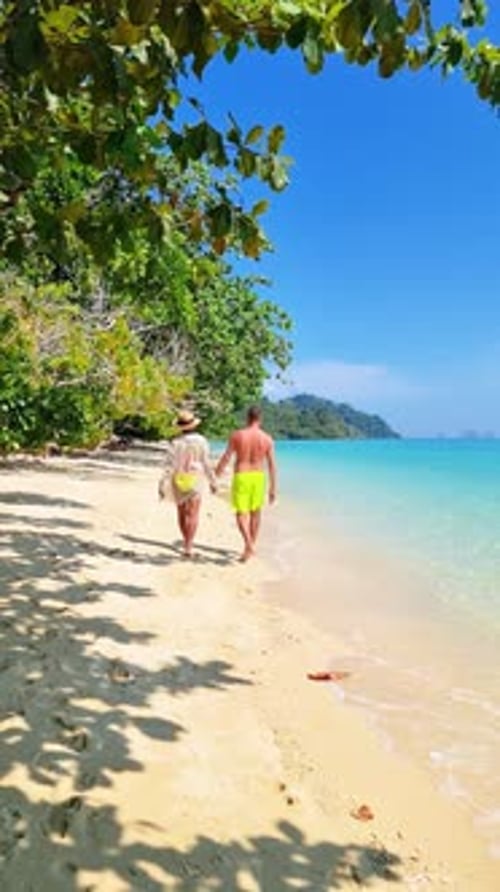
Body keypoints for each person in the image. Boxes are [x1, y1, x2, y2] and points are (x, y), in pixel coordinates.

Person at [215, 405, 276, 562]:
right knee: (255, 512)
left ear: (247, 418)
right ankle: (249, 547)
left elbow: (227, 456)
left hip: (242, 475)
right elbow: (271, 465)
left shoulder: (237, 435)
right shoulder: (267, 439)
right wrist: (273, 488)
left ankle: (248, 545)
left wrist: (216, 473)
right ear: (260, 419)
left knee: (241, 513)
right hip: (258, 477)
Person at [164, 410, 217, 558]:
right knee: (193, 514)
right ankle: (188, 545)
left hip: (179, 478)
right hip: (196, 478)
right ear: (194, 425)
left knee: (181, 512)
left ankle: (185, 539)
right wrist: (213, 481)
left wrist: (162, 484)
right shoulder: (201, 441)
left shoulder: (175, 442)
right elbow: (206, 462)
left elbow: (169, 465)